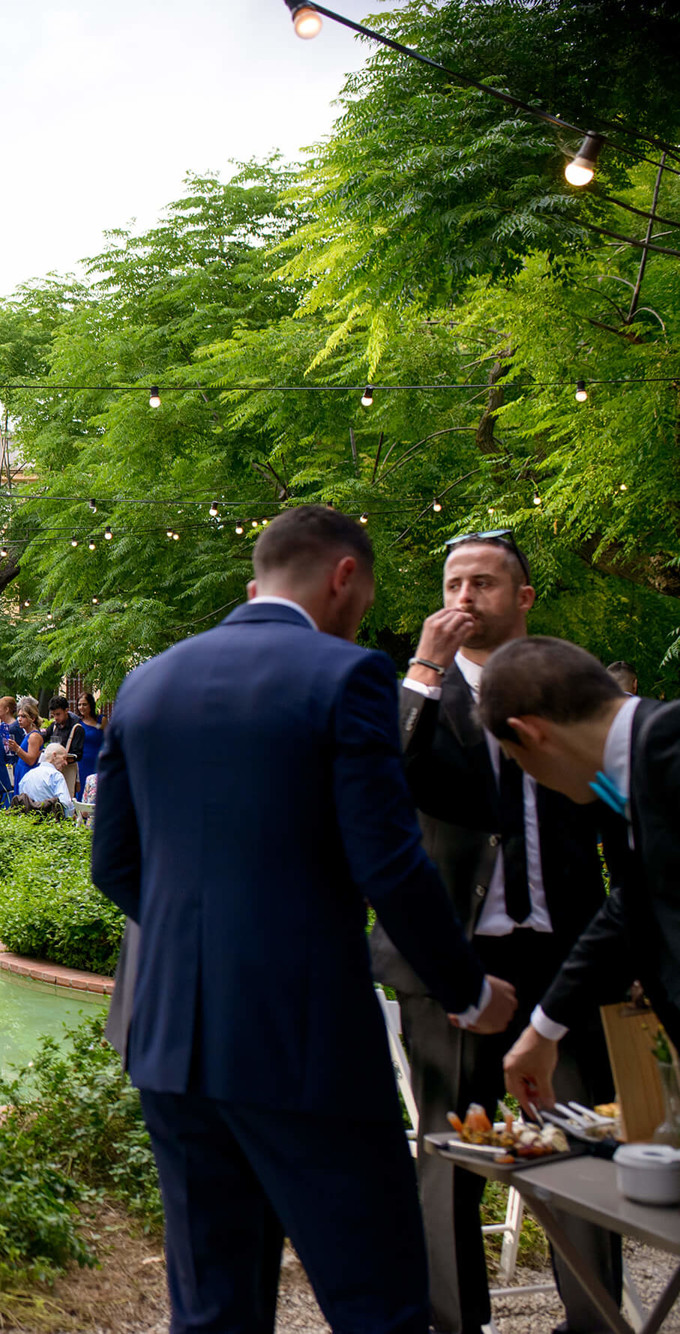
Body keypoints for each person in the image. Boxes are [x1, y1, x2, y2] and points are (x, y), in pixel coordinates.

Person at [90, 503, 515, 1334]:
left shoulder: (147, 682)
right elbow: (390, 861)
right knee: (379, 1302)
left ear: (258, 581)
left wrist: (202, 944)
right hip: (304, 1037)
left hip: (169, 1038)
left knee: (213, 1309)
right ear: (343, 576)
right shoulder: (346, 675)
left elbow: (114, 865)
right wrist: (466, 991)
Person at [378, 532, 623, 1334]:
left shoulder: (567, 690)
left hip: (566, 960)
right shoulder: (421, 690)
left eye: (484, 582)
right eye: (453, 581)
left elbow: (619, 822)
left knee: (584, 1150)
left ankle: (594, 1322)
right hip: (453, 961)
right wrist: (423, 669)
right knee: (449, 1153)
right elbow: (383, 778)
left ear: (522, 598)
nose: (464, 596)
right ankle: (455, 1326)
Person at [478, 640, 680, 1114]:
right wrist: (544, 1029)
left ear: (532, 734)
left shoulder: (669, 748)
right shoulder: (618, 781)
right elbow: (628, 903)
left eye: (520, 761)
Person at [17, 742, 75, 808]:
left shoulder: (27, 775)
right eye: (64, 758)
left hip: (29, 816)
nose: (66, 763)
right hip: (50, 816)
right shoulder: (56, 775)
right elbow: (65, 803)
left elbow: (22, 800)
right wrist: (71, 815)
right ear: (54, 755)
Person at [74, 692, 105, 800]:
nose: (81, 707)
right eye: (79, 704)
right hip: (82, 763)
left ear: (91, 705)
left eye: (84, 704)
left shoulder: (101, 720)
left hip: (99, 761)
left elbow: (111, 738)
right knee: (83, 790)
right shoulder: (77, 723)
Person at [8, 698, 45, 789]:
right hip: (21, 771)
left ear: (32, 718)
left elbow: (31, 760)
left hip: (27, 773)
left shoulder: (34, 736)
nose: (19, 719)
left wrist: (17, 748)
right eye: (19, 716)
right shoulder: (28, 734)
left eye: (23, 716)